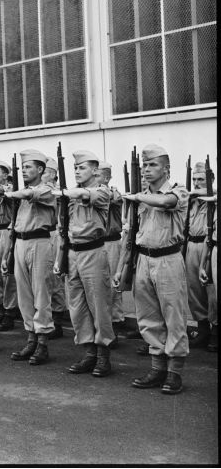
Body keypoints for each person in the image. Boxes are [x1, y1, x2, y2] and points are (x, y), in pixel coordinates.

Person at [114, 144, 189, 394]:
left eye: (152, 165)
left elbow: (166, 202)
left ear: (166, 169)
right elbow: (129, 233)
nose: (146, 170)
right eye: (144, 165)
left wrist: (136, 197)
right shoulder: (140, 197)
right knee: (148, 318)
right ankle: (157, 368)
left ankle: (174, 372)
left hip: (169, 259)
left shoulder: (178, 191)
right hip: (143, 259)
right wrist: (122, 266)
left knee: (174, 317)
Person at [52, 150, 114, 377]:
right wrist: (60, 259)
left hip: (93, 252)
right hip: (72, 253)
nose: (77, 171)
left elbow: (86, 195)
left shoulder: (101, 192)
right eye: (76, 168)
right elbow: (63, 230)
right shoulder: (69, 196)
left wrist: (65, 193)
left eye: (82, 168)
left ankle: (103, 356)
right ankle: (89, 353)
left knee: (99, 306)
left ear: (95, 171)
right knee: (77, 308)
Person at [3, 149, 56, 365]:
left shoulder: (48, 190)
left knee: (41, 294)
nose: (24, 171)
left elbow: (33, 195)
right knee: (24, 295)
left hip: (40, 242)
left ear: (41, 169)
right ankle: (31, 338)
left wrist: (13, 193)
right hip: (21, 242)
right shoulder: (22, 191)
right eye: (23, 167)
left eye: (28, 167)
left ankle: (42, 342)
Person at [185, 162, 217, 349]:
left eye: (201, 179)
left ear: (211, 180)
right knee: (194, 289)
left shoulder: (213, 196)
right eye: (195, 179)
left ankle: (215, 331)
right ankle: (203, 329)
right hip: (191, 245)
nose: (197, 183)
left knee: (211, 290)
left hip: (209, 245)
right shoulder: (192, 200)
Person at [95, 161, 126, 344]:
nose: (94, 178)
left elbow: (112, 198)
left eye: (97, 175)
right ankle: (104, 325)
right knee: (99, 285)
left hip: (111, 242)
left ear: (106, 178)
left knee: (113, 285)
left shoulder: (113, 192)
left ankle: (115, 323)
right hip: (96, 243)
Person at [0, 159, 18, 332]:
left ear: (6, 176)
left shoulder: (9, 190)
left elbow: (6, 196)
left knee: (7, 274)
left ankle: (9, 310)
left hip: (6, 232)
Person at [42, 157, 68, 339]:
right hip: (44, 236)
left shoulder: (54, 190)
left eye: (45, 172)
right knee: (45, 279)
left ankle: (57, 320)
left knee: (55, 279)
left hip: (55, 234)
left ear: (52, 175)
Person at [198, 194, 218, 352]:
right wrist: (202, 265)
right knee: (214, 296)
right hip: (216, 249)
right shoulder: (214, 208)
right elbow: (208, 238)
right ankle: (214, 332)